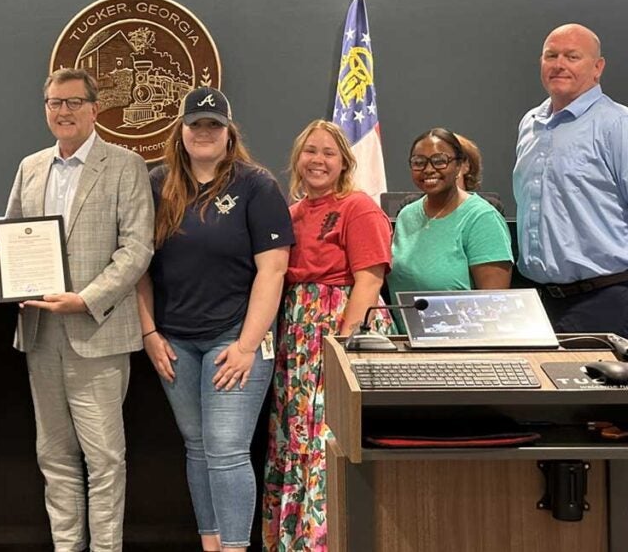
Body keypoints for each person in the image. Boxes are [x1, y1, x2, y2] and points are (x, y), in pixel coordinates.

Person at [135, 87, 292, 552]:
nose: (204, 133)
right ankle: (211, 542)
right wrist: (149, 332)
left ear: (228, 133)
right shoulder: (155, 183)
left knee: (225, 447)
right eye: (195, 125)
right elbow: (137, 265)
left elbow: (274, 268)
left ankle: (235, 547)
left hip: (236, 336)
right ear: (180, 131)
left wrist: (246, 346)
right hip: (175, 341)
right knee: (198, 446)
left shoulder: (255, 185)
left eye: (213, 126)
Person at [5, 68, 153, 552]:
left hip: (99, 333)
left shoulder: (126, 164)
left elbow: (136, 250)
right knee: (54, 456)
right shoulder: (30, 166)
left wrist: (85, 299)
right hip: (42, 334)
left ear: (94, 108)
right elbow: (12, 236)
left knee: (106, 459)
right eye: (53, 103)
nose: (62, 112)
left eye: (72, 103)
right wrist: (5, 275)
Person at [263, 120, 394, 551]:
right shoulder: (291, 213)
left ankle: (326, 540)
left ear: (344, 162)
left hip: (337, 329)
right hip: (297, 335)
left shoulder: (358, 207)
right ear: (297, 160)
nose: (318, 161)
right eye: (310, 152)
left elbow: (370, 280)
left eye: (328, 153)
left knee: (325, 435)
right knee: (296, 435)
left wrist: (342, 343)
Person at [515, 23, 628, 336]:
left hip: (606, 301)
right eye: (551, 55)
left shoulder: (618, 126)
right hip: (537, 304)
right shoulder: (530, 124)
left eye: (572, 56)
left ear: (597, 67)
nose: (559, 64)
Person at [390, 127, 512, 301]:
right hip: (403, 327)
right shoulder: (406, 215)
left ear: (460, 165)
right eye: (418, 162)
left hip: (460, 327)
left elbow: (494, 303)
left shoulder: (482, 218)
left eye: (440, 161)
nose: (428, 169)